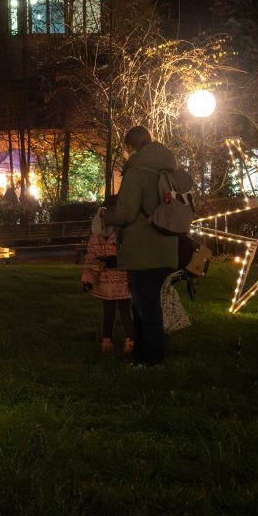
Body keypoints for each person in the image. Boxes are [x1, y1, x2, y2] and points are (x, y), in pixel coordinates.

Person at [102, 126, 178, 366]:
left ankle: (152, 360)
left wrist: (106, 217)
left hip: (143, 249)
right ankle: (141, 357)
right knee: (146, 304)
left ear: (129, 146)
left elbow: (126, 212)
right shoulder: (167, 168)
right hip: (166, 245)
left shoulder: (136, 171)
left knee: (146, 308)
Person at [81, 196, 134, 355]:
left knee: (125, 312)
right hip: (105, 281)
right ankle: (106, 340)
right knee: (108, 312)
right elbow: (91, 254)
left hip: (122, 280)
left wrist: (113, 261)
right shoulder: (96, 233)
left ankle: (130, 340)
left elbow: (129, 254)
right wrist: (88, 272)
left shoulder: (124, 232)